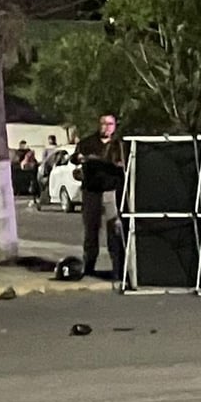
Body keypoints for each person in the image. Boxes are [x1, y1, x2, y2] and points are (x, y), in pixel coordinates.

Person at [73, 113, 125, 279]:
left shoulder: (119, 144)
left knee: (114, 231)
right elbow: (75, 158)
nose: (106, 127)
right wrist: (81, 159)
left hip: (111, 191)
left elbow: (124, 165)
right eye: (104, 123)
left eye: (110, 124)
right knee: (91, 229)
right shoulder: (87, 143)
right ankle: (89, 266)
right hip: (91, 191)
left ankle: (119, 269)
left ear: (115, 126)